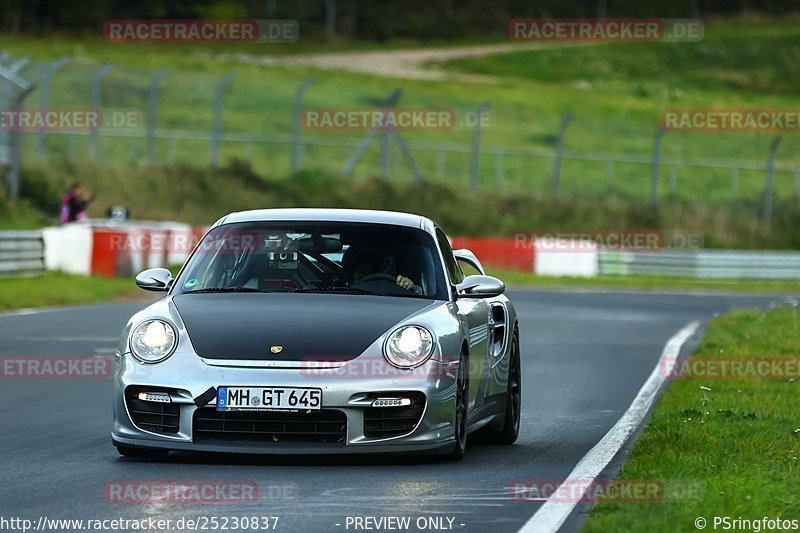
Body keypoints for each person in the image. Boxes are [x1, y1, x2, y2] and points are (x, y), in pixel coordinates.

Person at [341, 245, 419, 292]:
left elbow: (419, 293)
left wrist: (409, 286)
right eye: (355, 262)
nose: (360, 266)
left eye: (366, 260)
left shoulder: (397, 284)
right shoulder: (338, 287)